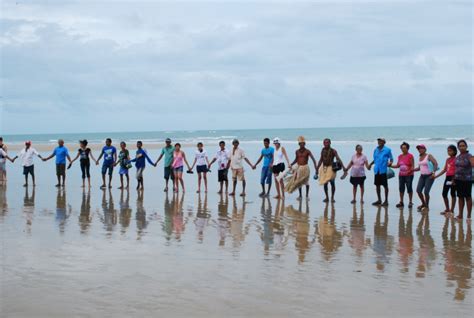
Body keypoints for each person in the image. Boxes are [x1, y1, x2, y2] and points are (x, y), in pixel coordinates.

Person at [285, 136, 318, 200]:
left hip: (305, 168)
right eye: (300, 143)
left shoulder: (308, 151)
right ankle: (300, 195)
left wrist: (316, 168)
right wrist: (291, 164)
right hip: (299, 168)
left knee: (306, 182)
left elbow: (313, 160)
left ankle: (307, 195)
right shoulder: (297, 151)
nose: (301, 144)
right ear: (299, 144)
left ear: (304, 144)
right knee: (299, 182)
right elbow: (296, 160)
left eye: (303, 143)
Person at [316, 138, 344, 203]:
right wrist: (317, 168)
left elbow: (338, 158)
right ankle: (327, 197)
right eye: (325, 143)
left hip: (331, 168)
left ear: (330, 143)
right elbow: (321, 160)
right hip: (324, 168)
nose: (326, 144)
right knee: (325, 184)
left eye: (327, 142)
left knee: (332, 183)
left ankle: (332, 198)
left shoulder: (333, 151)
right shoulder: (322, 150)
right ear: (323, 143)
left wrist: (343, 167)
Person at [412, 144, 438, 212]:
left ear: (425, 149)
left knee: (426, 192)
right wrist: (412, 170)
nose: (420, 150)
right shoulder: (420, 157)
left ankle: (427, 206)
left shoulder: (429, 156)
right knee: (418, 190)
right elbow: (419, 168)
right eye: (418, 149)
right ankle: (423, 203)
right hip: (422, 176)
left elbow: (435, 163)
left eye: (421, 148)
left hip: (429, 176)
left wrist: (433, 173)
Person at [369, 138, 393, 206]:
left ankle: (386, 201)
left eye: (381, 141)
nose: (379, 142)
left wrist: (390, 163)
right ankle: (379, 200)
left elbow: (391, 159)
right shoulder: (375, 150)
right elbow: (375, 159)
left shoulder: (387, 150)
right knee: (377, 185)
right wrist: (370, 164)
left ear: (384, 142)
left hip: (383, 170)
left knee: (385, 186)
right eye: (378, 141)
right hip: (377, 170)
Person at [390, 142, 415, 208]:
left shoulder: (410, 156)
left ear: (408, 148)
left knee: (409, 188)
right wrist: (390, 166)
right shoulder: (400, 156)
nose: (403, 149)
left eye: (405, 148)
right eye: (402, 148)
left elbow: (413, 166)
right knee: (401, 188)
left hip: (409, 175)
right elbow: (398, 166)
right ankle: (401, 202)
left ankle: (410, 202)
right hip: (401, 175)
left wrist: (409, 171)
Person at [434, 145, 457, 214]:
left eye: (450, 150)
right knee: (444, 193)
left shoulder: (456, 159)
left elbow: (457, 170)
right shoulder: (448, 159)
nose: (449, 152)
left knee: (453, 193)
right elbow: (445, 169)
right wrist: (436, 176)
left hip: (454, 177)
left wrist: (454, 179)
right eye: (448, 151)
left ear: (455, 151)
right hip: (447, 177)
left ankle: (452, 210)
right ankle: (447, 209)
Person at [453, 140, 473, 220]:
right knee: (460, 197)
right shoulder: (458, 157)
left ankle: (468, 216)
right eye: (460, 146)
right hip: (458, 179)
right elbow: (456, 168)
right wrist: (454, 179)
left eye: (463, 145)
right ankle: (460, 215)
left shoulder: (469, 156)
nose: (462, 147)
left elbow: (473, 165)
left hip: (467, 180)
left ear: (466, 146)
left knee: (468, 197)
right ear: (458, 147)